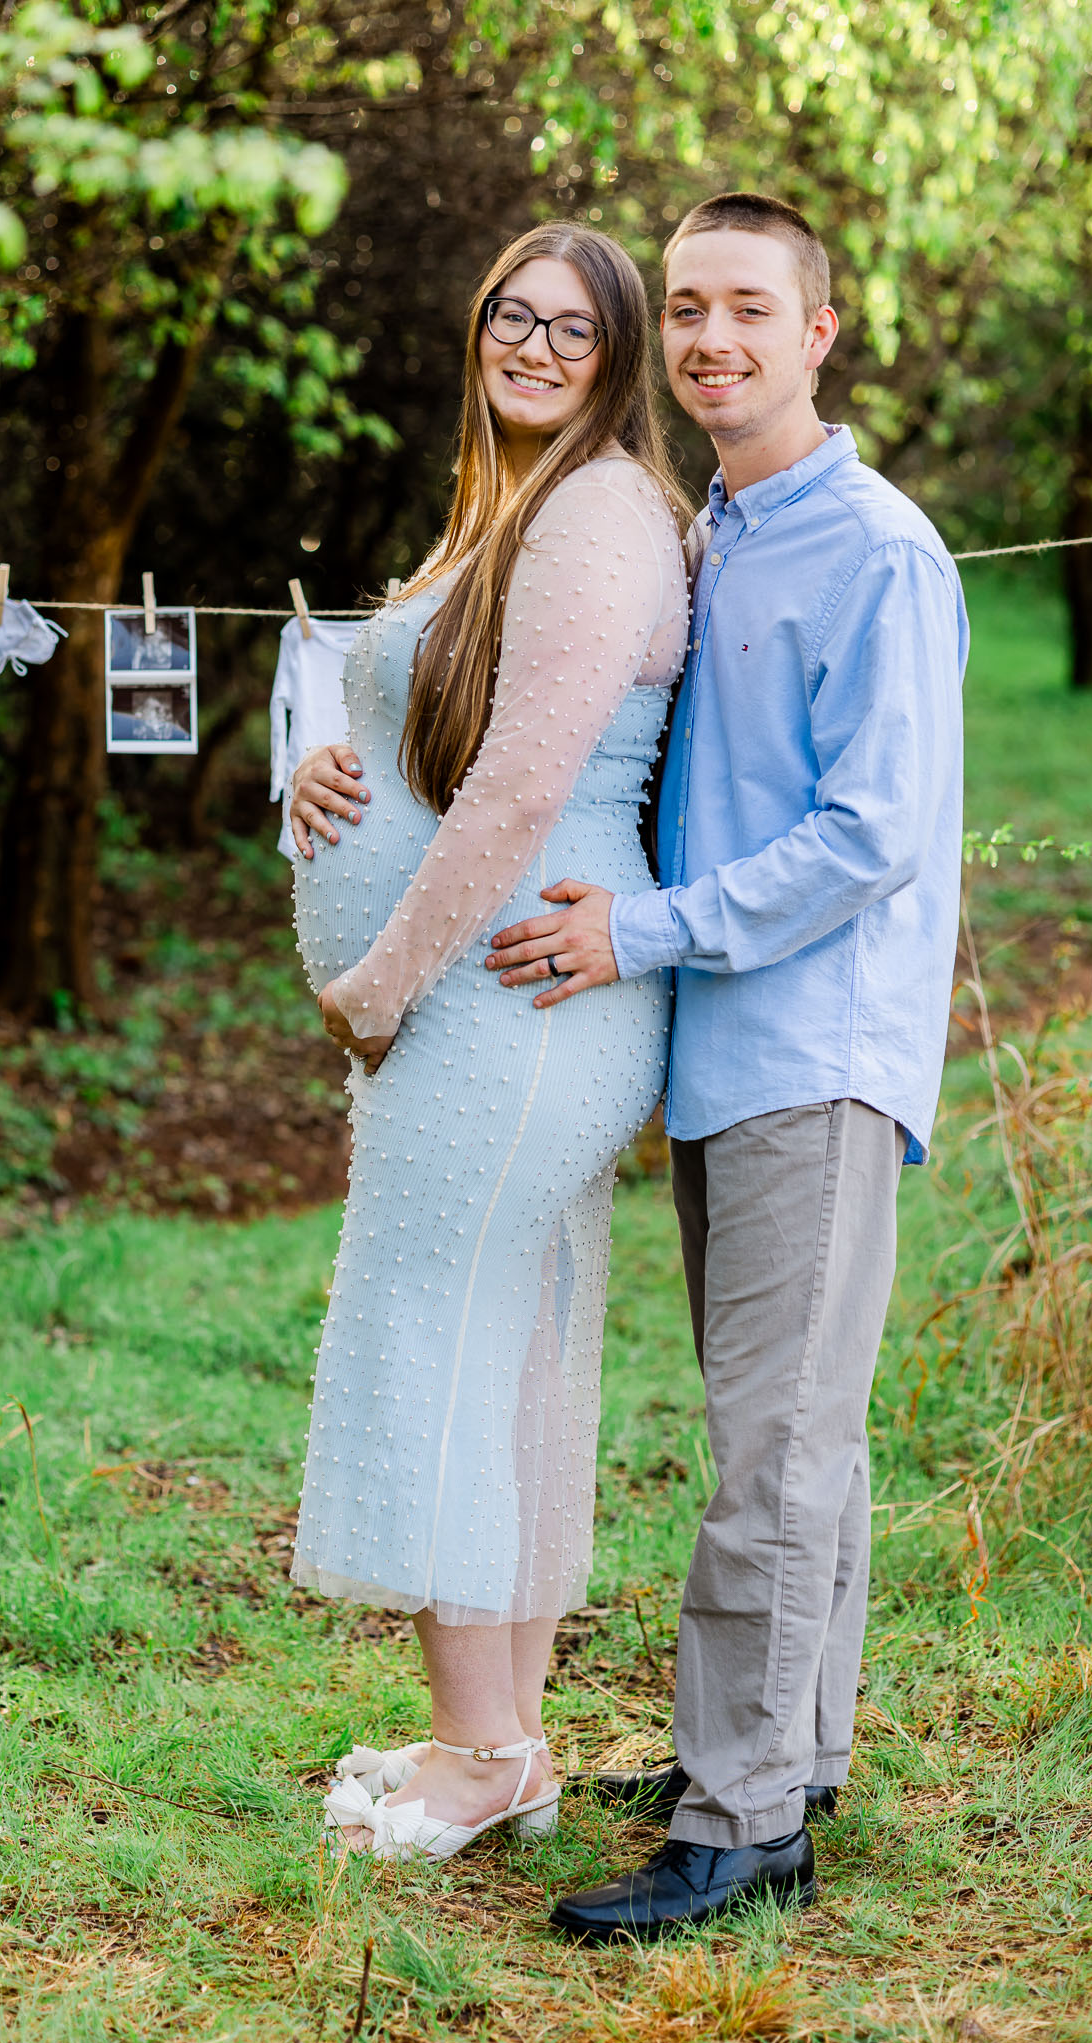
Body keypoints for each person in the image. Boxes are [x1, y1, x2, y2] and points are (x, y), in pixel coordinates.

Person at [482, 192, 968, 1939]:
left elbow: (868, 835)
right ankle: (786, 1755)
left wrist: (642, 931)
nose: (710, 339)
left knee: (770, 1446)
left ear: (817, 331)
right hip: (723, 1052)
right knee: (792, 1429)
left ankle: (741, 1820)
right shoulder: (716, 533)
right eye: (685, 306)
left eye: (749, 308)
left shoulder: (875, 549)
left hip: (813, 1056)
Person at [287, 221, 690, 1862]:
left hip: (505, 1004)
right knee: (509, 1352)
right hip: (501, 1006)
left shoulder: (593, 508)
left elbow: (524, 787)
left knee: (434, 1343)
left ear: (617, 360)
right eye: (511, 316)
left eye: (571, 329)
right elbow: (447, 736)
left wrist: (382, 979)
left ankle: (471, 1755)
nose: (531, 346)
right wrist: (334, 763)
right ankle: (505, 1744)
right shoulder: (516, 501)